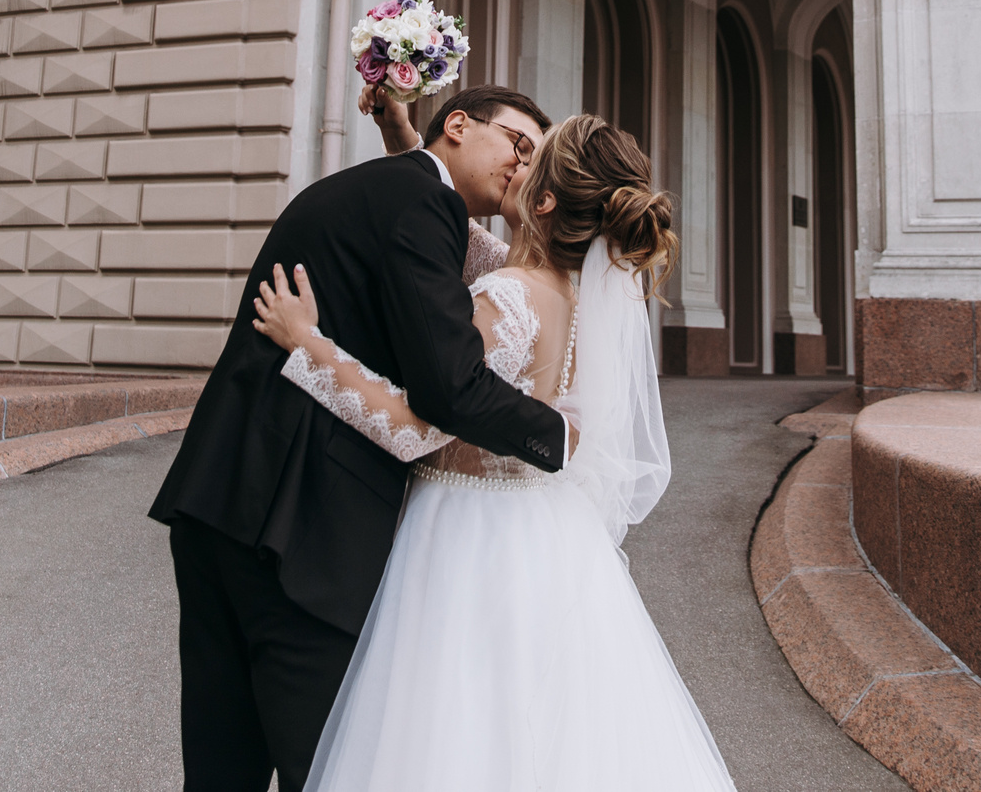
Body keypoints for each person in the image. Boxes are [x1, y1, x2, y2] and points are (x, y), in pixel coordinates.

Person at [253, 114, 738, 791]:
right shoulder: (568, 293)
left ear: (543, 201)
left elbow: (419, 429)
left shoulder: (508, 298)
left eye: (530, 158)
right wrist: (409, 142)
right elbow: (460, 232)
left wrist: (308, 344)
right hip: (543, 526)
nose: (514, 164)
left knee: (452, 724)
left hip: (464, 528)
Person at [147, 85, 569, 792]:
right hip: (299, 529)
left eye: (536, 162)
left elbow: (481, 262)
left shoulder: (391, 190)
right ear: (458, 124)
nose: (522, 168)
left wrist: (400, 130)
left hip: (218, 500)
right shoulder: (423, 205)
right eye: (518, 145)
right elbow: (449, 390)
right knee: (328, 767)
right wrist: (557, 433)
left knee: (221, 767)